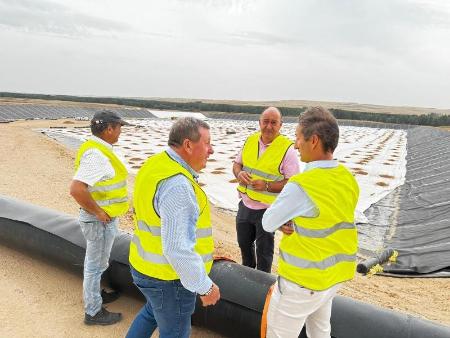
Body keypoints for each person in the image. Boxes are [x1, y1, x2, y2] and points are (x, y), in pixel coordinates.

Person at [262, 106, 360, 338]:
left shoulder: (302, 185)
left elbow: (268, 222)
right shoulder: (347, 178)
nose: (296, 145)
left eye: (298, 138)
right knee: (320, 332)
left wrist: (284, 221)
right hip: (331, 279)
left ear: (313, 140)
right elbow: (326, 218)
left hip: (301, 284)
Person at [126, 117, 220, 338]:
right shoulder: (178, 186)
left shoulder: (156, 164)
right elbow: (177, 249)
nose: (212, 150)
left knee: (152, 312)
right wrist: (205, 287)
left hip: (144, 267)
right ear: (188, 145)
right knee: (175, 331)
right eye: (207, 143)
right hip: (168, 279)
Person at [70, 110, 131, 325]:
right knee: (95, 266)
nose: (120, 131)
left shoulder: (98, 148)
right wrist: (98, 212)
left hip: (102, 219)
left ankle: (96, 296)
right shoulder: (97, 155)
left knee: (98, 263)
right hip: (99, 221)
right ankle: (93, 312)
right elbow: (77, 189)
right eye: (119, 127)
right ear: (108, 129)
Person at [232, 106, 299, 273]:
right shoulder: (250, 140)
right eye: (266, 122)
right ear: (259, 122)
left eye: (274, 123)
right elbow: (236, 164)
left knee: (264, 254)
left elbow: (293, 183)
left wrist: (267, 186)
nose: (269, 126)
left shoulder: (287, 150)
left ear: (280, 125)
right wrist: (239, 173)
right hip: (245, 205)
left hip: (268, 211)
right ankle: (247, 278)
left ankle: (261, 288)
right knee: (244, 246)